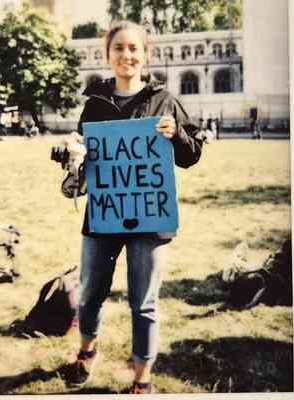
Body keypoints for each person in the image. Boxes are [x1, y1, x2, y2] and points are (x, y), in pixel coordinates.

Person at [61, 20, 204, 394]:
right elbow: (86, 162)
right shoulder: (94, 104)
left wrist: (178, 135)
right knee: (91, 292)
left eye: (133, 48)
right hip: (104, 214)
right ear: (108, 55)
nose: (127, 55)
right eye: (119, 48)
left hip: (151, 219)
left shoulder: (165, 100)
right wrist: (74, 156)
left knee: (144, 303)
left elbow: (191, 157)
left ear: (145, 54)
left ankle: (142, 379)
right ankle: (86, 352)